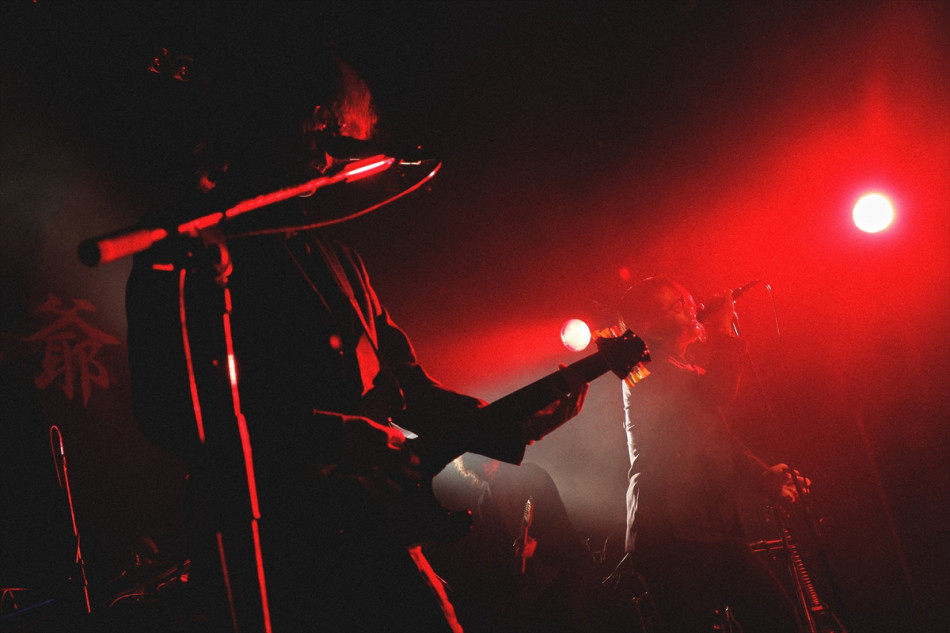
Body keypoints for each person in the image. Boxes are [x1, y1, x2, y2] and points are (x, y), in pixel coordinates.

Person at [124, 37, 588, 633]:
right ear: (320, 125)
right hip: (266, 548)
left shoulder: (340, 260)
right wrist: (335, 436)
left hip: (372, 533)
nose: (350, 151)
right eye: (350, 126)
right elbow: (166, 411)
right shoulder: (189, 240)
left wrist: (509, 422)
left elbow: (411, 392)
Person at [617, 275, 804, 632]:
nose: (693, 308)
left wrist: (765, 477)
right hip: (668, 536)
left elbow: (721, 440)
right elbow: (716, 391)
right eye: (678, 305)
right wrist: (723, 330)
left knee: (778, 617)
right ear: (650, 326)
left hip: (712, 527)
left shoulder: (687, 371)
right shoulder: (642, 373)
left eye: (688, 300)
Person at [426, 455, 594, 633]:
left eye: (487, 458)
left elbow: (560, 521)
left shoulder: (531, 474)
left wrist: (538, 544)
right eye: (477, 462)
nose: (483, 465)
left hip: (562, 570)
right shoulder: (485, 502)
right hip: (532, 587)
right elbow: (499, 553)